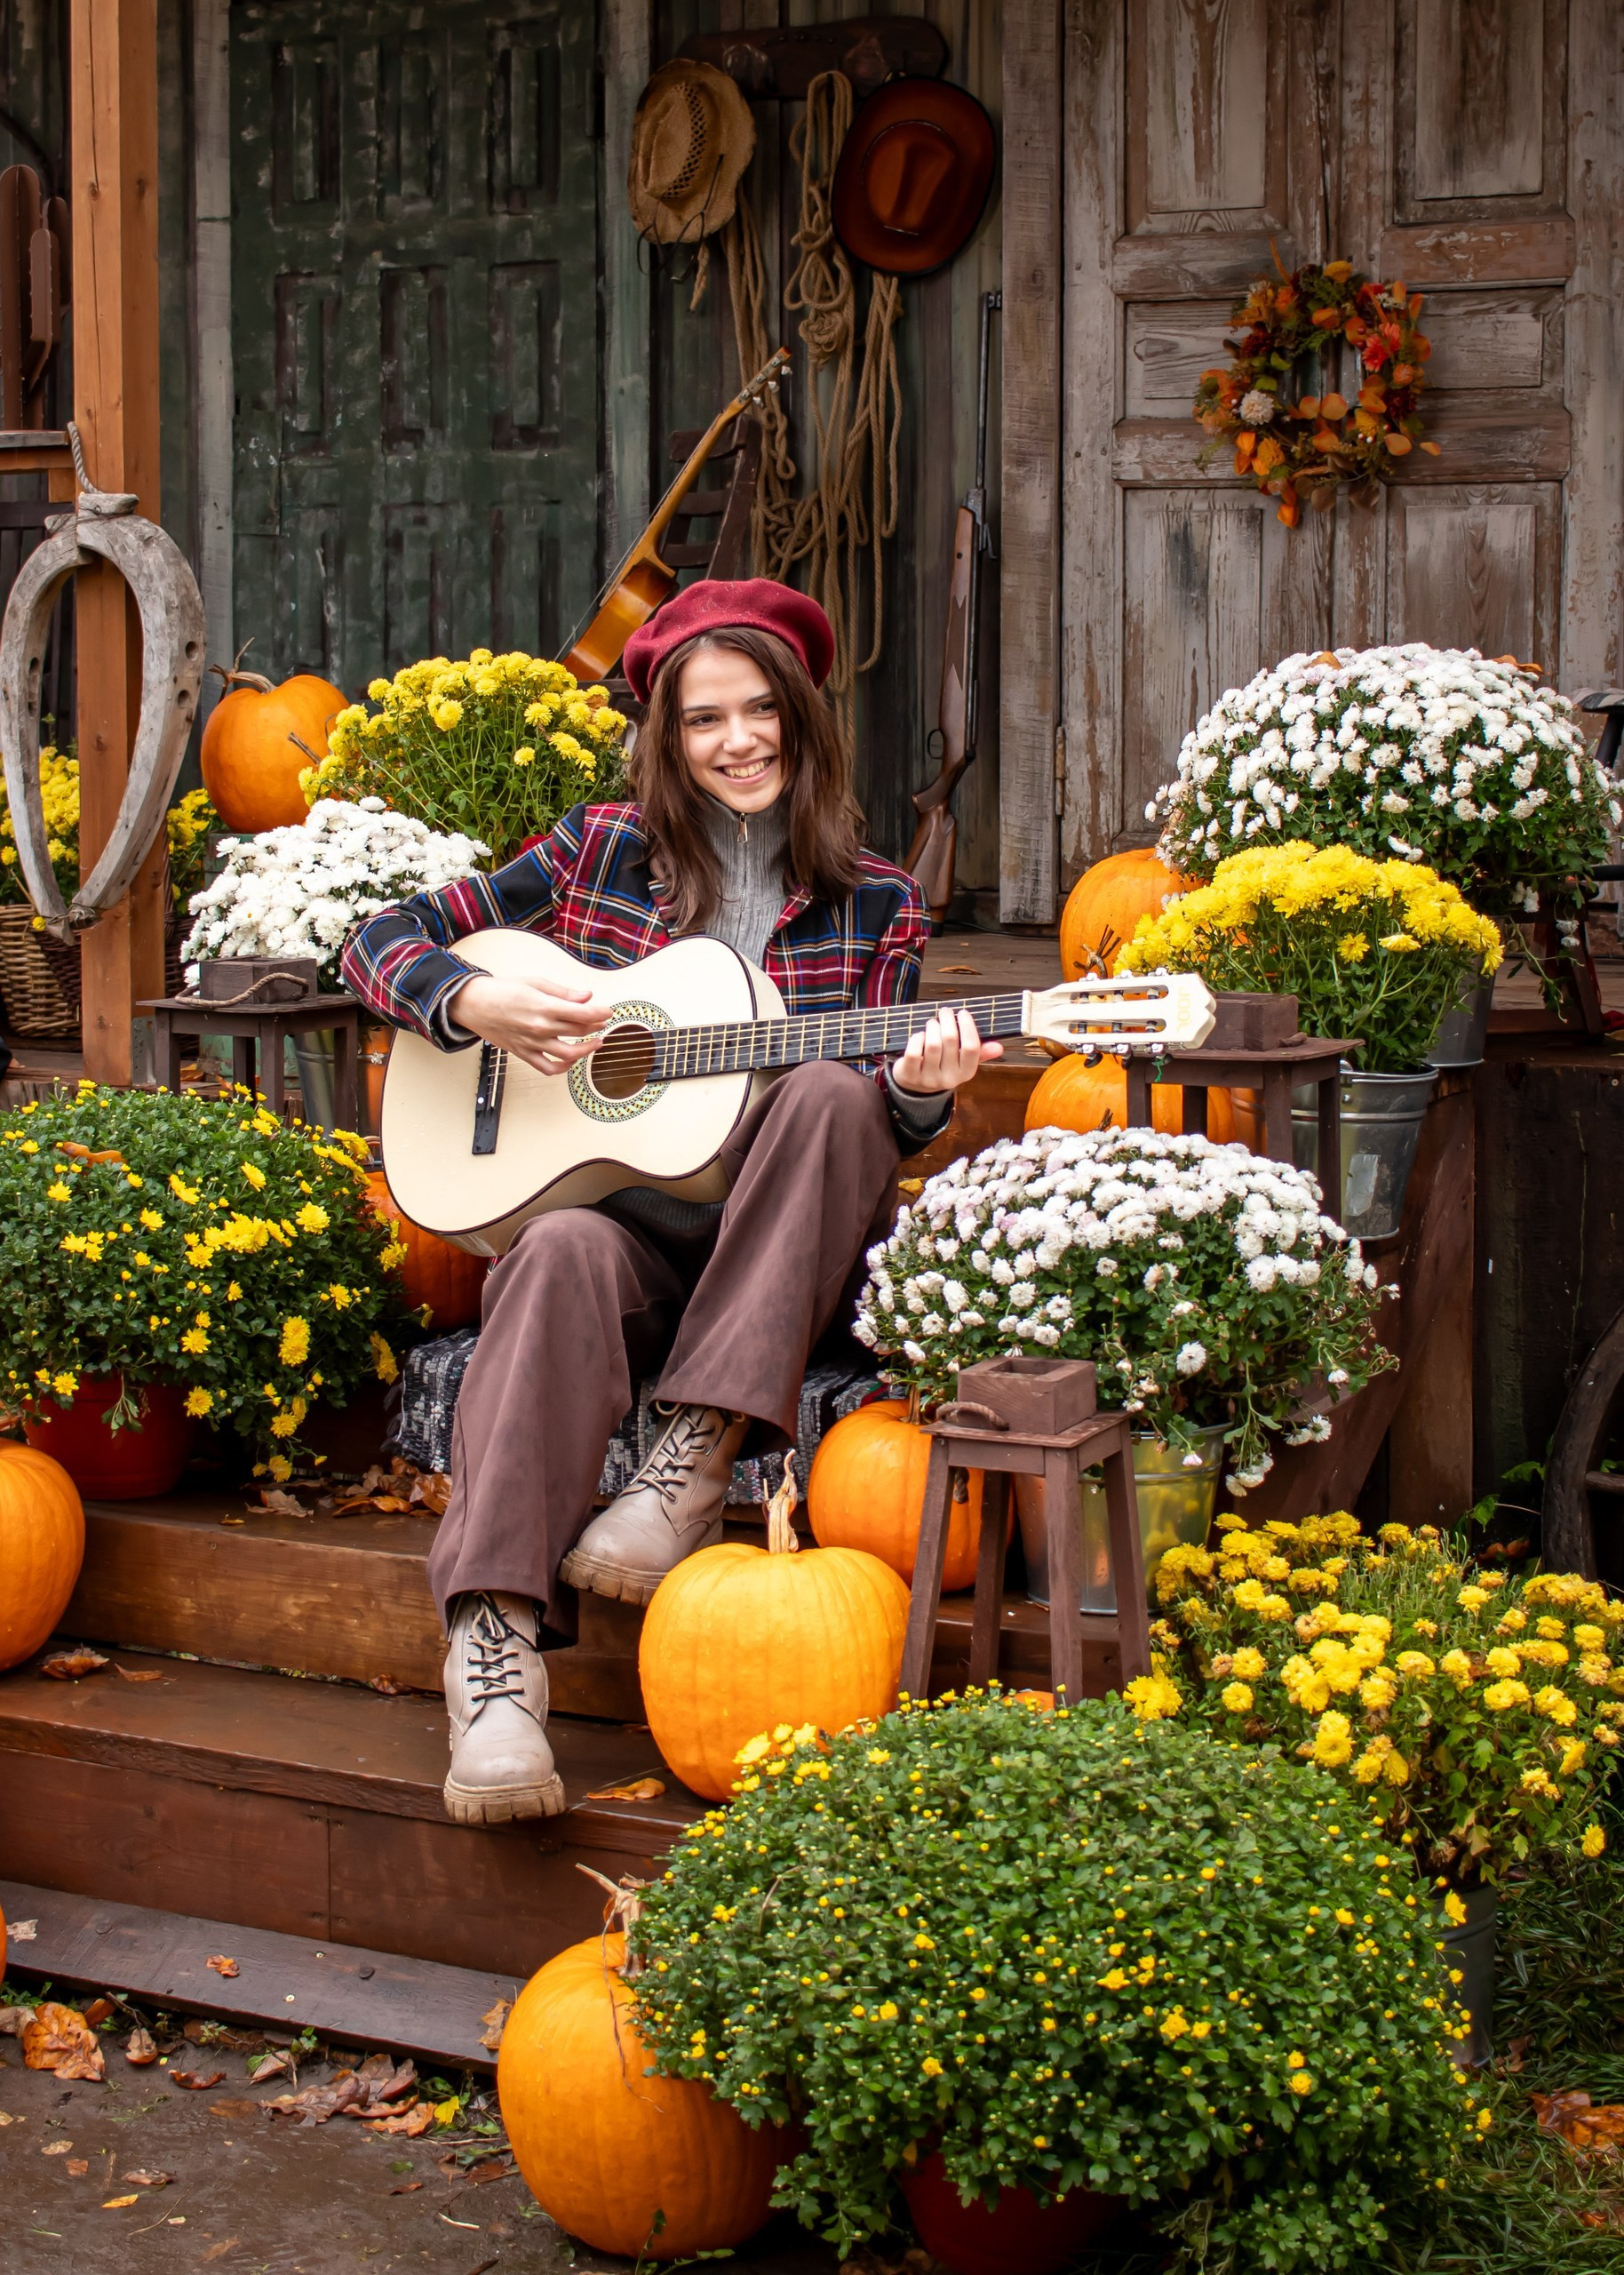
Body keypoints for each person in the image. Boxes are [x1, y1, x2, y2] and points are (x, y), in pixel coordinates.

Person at [340, 579, 1000, 1825]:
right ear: (668, 737)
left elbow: (873, 1129)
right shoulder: (598, 851)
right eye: (705, 720)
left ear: (804, 727)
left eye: (763, 713)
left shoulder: (878, 902)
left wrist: (919, 1102)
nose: (738, 741)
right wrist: (469, 1001)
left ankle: (687, 1464)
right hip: (627, 1238)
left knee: (827, 1097)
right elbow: (379, 940)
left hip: (778, 1256)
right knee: (553, 1256)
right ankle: (492, 1659)